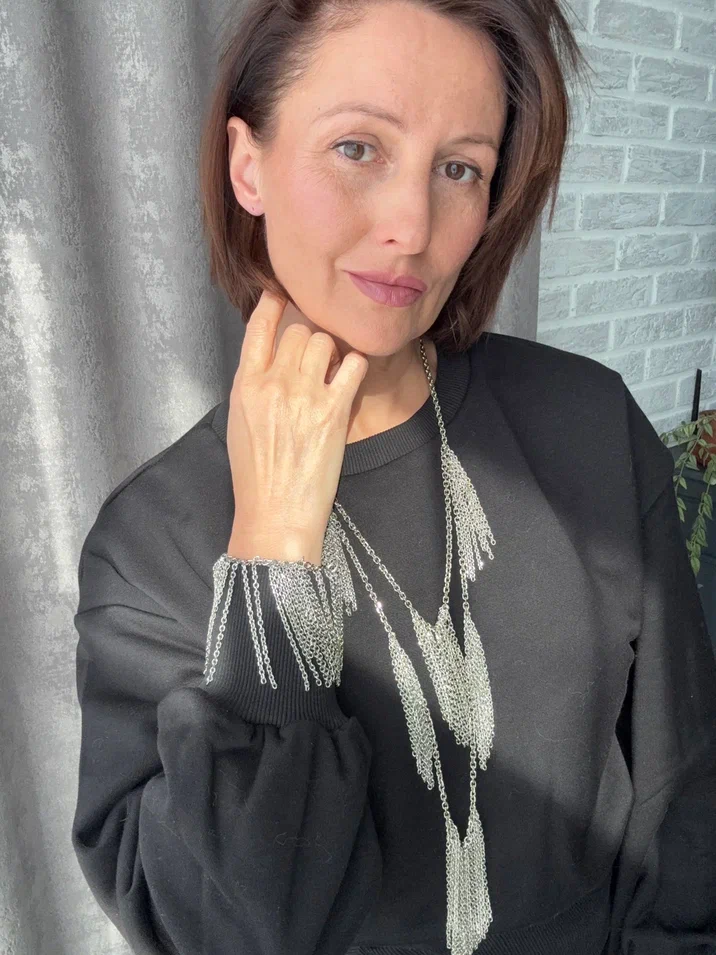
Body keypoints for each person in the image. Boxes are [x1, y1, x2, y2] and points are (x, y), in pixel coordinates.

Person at [70, 0, 716, 952]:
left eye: (460, 169)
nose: (413, 226)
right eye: (358, 148)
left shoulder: (590, 427)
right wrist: (273, 556)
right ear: (248, 165)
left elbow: (682, 795)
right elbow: (235, 928)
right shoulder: (149, 546)